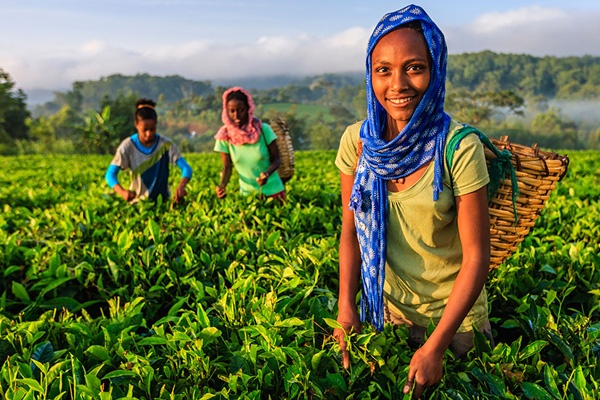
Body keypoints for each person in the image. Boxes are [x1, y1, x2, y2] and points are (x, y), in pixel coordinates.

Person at [333, 5, 492, 398]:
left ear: (435, 70)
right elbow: (350, 232)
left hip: (456, 326)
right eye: (383, 70)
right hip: (390, 316)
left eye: (414, 68)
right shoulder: (358, 143)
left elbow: (477, 258)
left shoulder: (458, 147)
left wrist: (436, 346)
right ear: (370, 75)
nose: (398, 84)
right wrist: (346, 309)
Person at [105, 98, 192, 203]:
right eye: (144, 130)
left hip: (163, 202)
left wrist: (181, 186)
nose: (149, 134)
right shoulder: (128, 146)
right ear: (136, 125)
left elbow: (186, 169)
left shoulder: (166, 145)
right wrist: (122, 192)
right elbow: (110, 174)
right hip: (138, 203)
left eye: (152, 129)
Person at [214, 87, 285, 201]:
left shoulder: (263, 129)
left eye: (240, 110)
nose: (236, 115)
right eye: (232, 111)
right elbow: (227, 167)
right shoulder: (224, 136)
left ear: (248, 109)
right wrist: (222, 185)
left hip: (273, 192)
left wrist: (267, 174)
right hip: (247, 196)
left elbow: (277, 159)